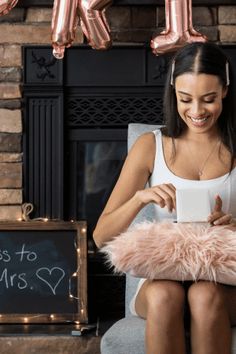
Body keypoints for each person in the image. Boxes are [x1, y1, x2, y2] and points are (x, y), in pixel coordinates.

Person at [93, 41, 236, 354]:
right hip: (164, 280)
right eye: (185, 99)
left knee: (203, 295)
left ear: (225, 90)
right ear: (173, 92)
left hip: (225, 283)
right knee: (163, 296)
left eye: (209, 99)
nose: (196, 112)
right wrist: (140, 199)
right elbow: (101, 237)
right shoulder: (150, 145)